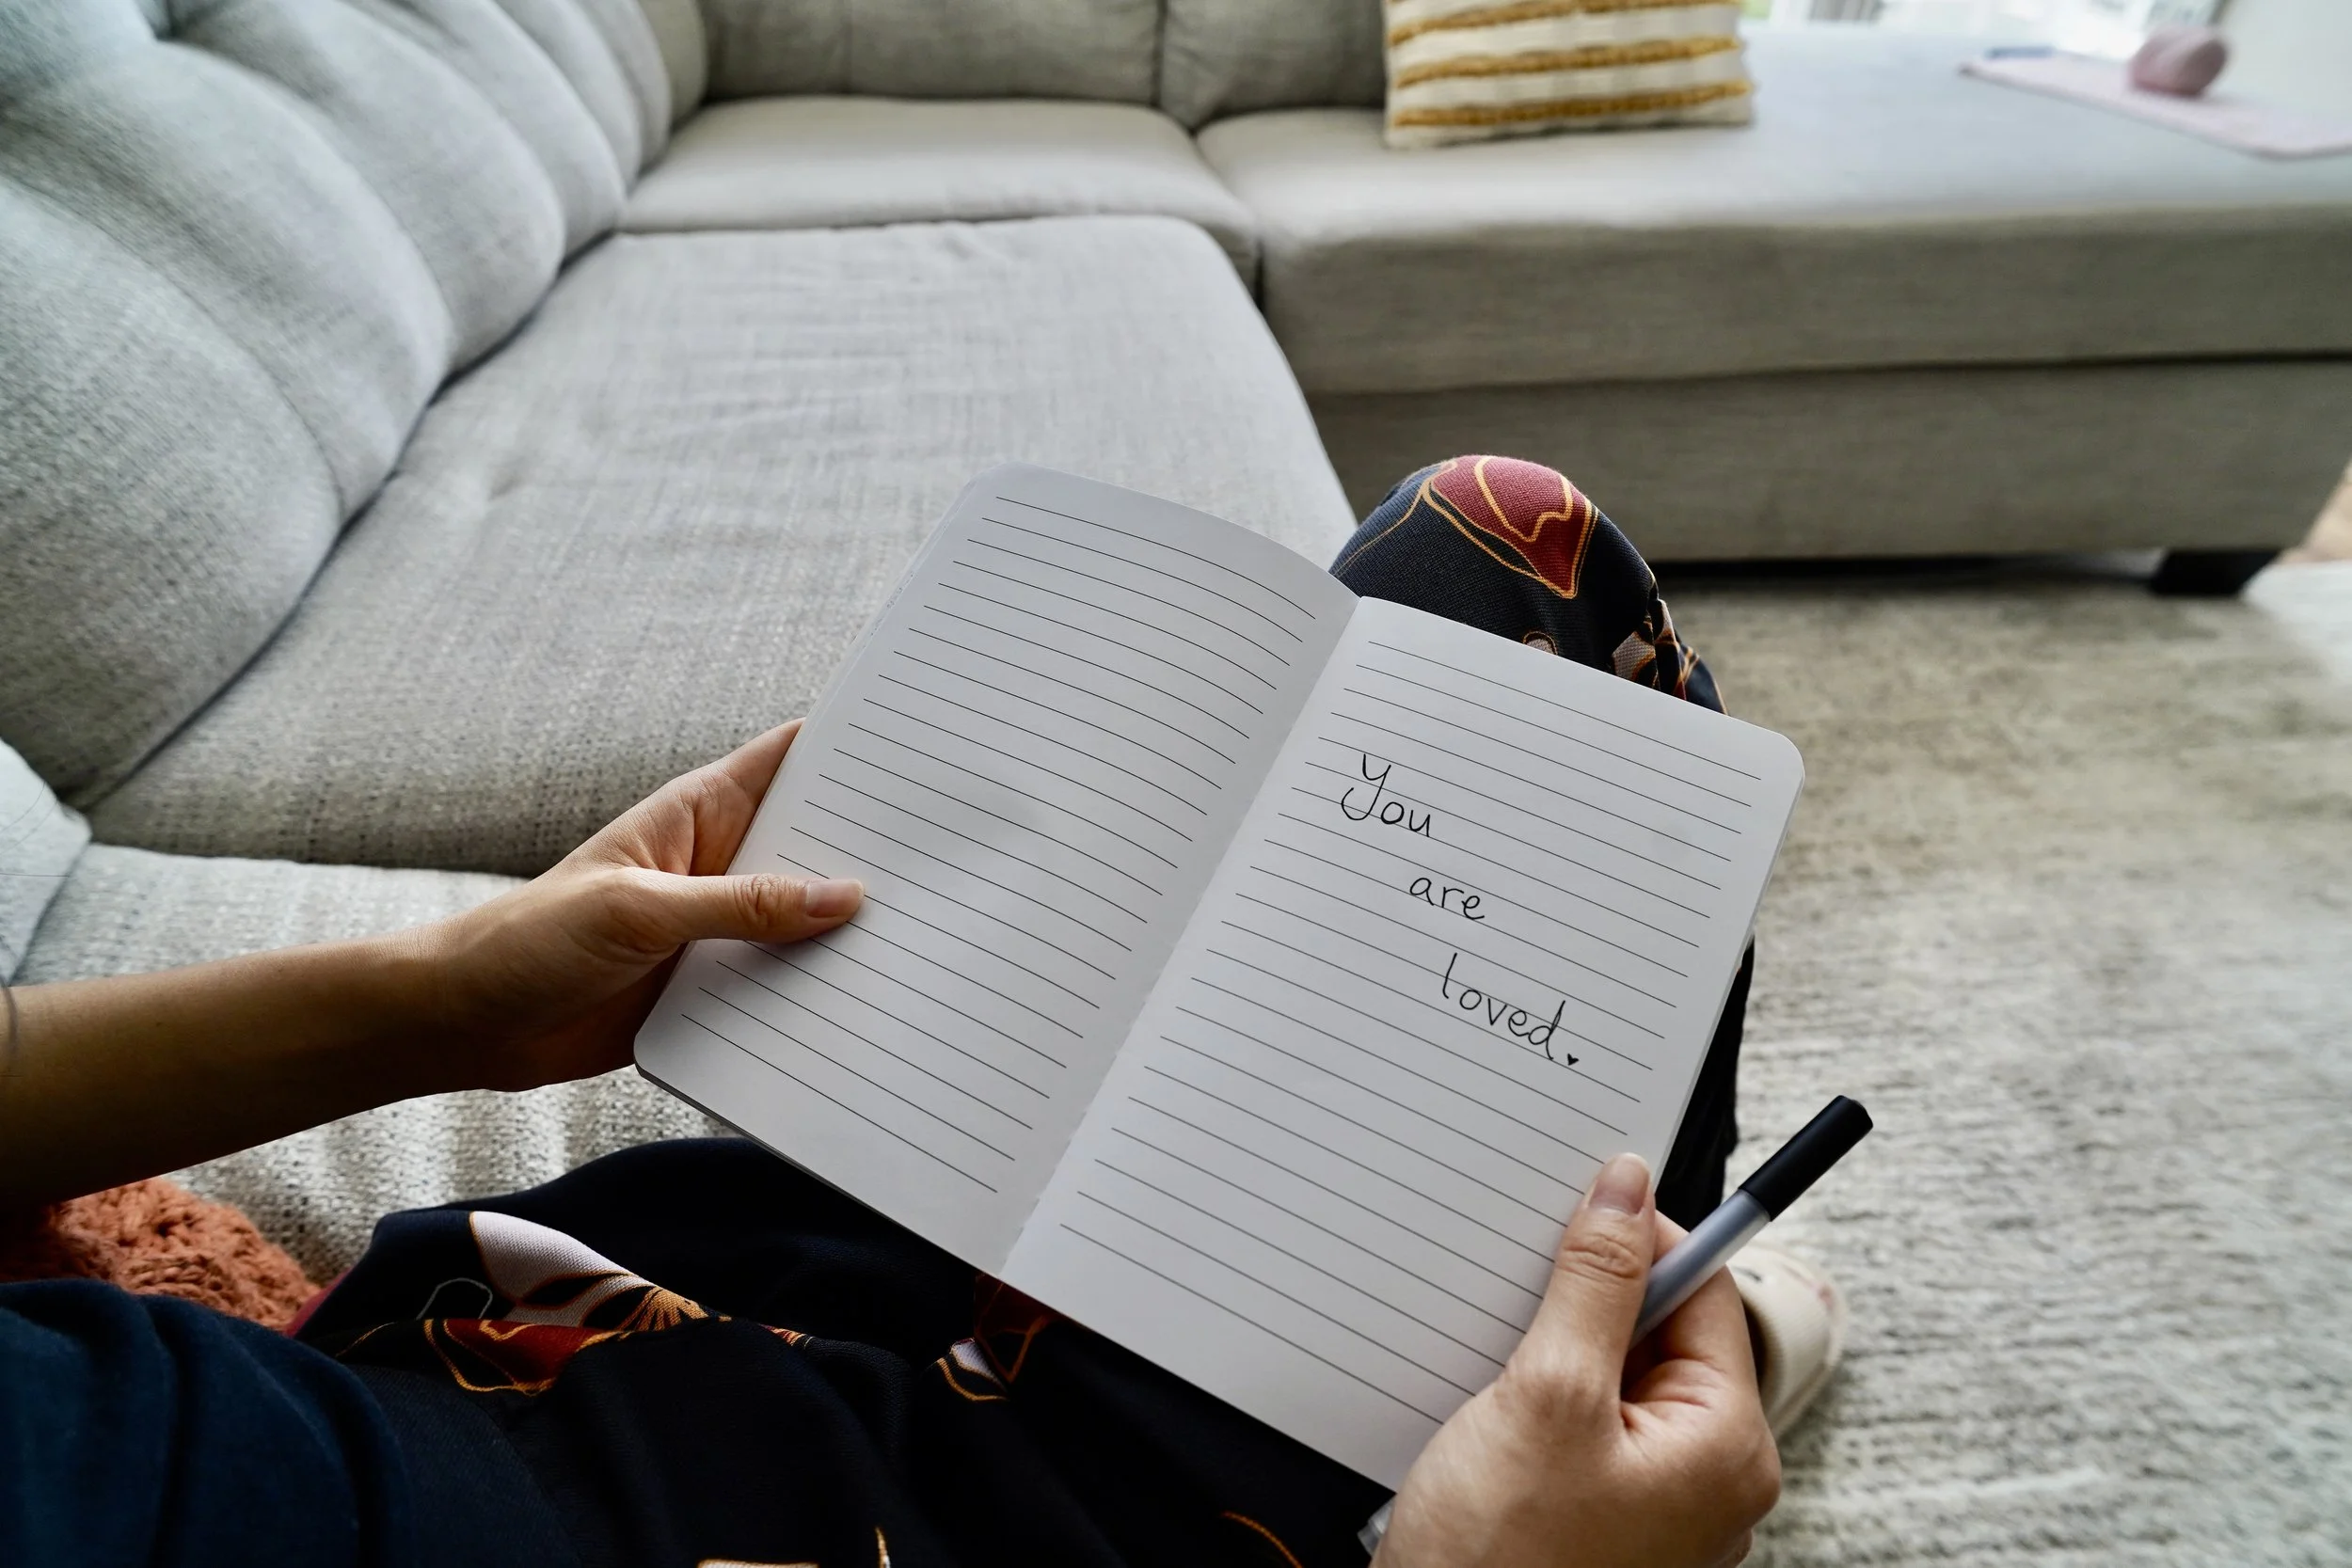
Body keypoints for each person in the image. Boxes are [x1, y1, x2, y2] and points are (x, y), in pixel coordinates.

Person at [0, 458, 1828, 1567]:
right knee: (1535, 576)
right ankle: (1657, 1339)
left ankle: (1609, 1332)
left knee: (1470, 551)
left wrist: (442, 1001)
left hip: (549, 1340)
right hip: (885, 1516)